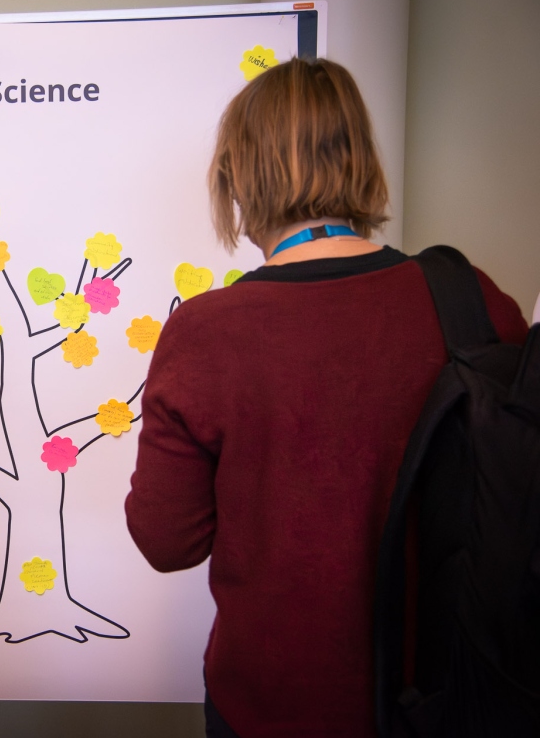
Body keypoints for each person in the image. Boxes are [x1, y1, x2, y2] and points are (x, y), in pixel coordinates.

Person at [124, 58, 529, 738]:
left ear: (238, 178)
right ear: (361, 164)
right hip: (456, 693)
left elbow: (166, 540)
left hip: (270, 705)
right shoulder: (474, 300)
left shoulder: (206, 331)